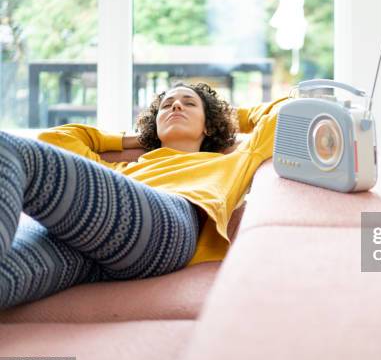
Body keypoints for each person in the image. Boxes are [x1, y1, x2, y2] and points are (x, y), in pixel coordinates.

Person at [0, 82, 287, 309]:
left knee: (7, 148)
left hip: (172, 226)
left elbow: (287, 110)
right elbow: (56, 139)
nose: (176, 105)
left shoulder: (235, 158)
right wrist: (138, 138)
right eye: (166, 106)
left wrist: (223, 116)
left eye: (189, 103)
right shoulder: (118, 170)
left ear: (208, 125)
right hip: (96, 247)